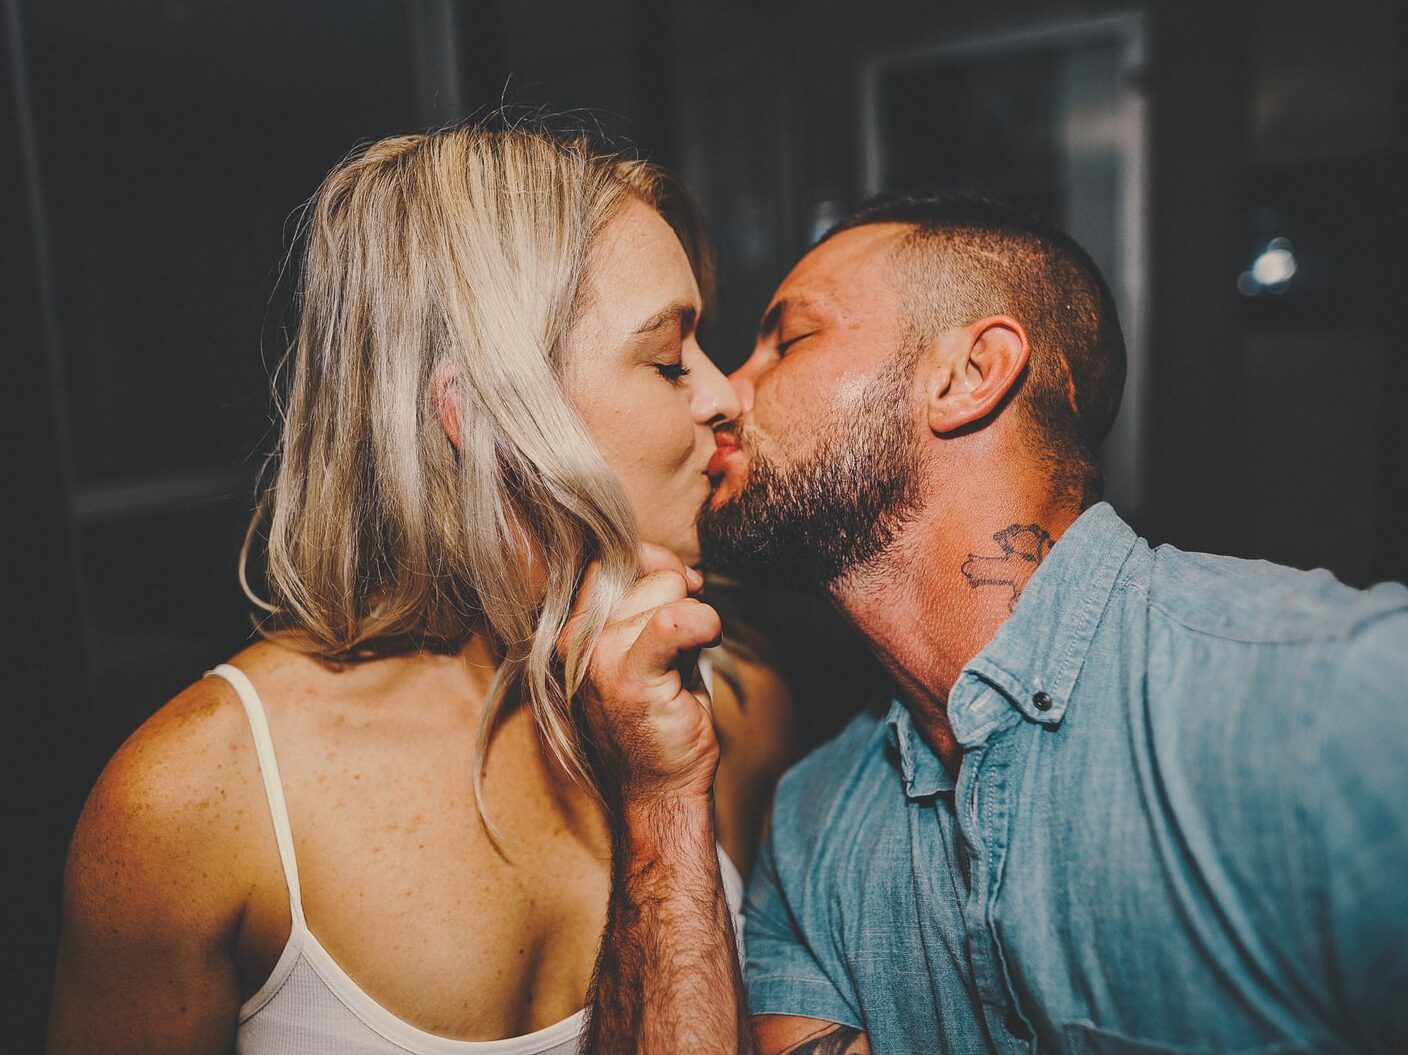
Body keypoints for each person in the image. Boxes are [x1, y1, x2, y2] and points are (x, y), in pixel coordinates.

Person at [578, 193, 1408, 1053]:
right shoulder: (812, 825)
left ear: (970, 374)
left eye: (787, 341)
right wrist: (661, 803)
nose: (721, 394)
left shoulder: (1328, 701)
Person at [46, 124, 795, 1055]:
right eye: (669, 358)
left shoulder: (735, 703)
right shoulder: (200, 799)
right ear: (483, 417)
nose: (727, 395)